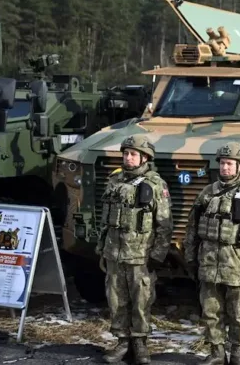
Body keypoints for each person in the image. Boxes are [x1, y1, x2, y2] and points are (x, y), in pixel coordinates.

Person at [183, 142, 240, 365]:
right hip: (209, 264)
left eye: (230, 164)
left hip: (237, 265)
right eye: (223, 163)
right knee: (211, 311)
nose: (225, 168)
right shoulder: (207, 193)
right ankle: (216, 352)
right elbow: (192, 228)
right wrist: (191, 257)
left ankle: (237, 353)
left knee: (238, 313)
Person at [95, 134, 174, 364]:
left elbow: (165, 225)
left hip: (141, 256)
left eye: (133, 154)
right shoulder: (114, 181)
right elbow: (105, 220)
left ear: (144, 158)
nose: (128, 158)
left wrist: (158, 255)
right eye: (126, 154)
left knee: (141, 301)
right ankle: (122, 341)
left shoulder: (156, 185)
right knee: (116, 299)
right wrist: (101, 248)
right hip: (114, 253)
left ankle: (140, 343)